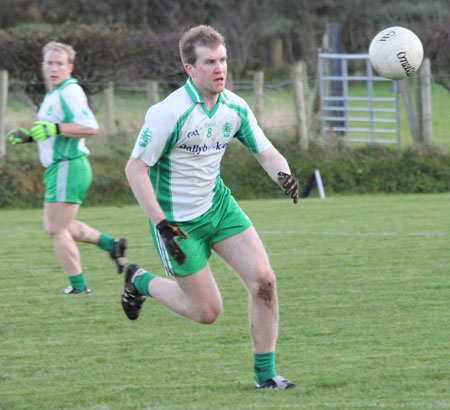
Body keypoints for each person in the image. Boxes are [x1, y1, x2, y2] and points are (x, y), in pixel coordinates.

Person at [122, 25, 300, 389]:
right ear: (190, 68)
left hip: (219, 208)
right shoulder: (168, 113)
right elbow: (135, 169)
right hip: (177, 223)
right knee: (207, 312)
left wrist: (284, 176)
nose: (219, 69)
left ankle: (266, 376)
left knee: (265, 281)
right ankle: (140, 280)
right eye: (209, 62)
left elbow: (265, 151)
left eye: (222, 60)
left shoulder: (234, 107)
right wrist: (161, 224)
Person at [8, 41, 127, 294]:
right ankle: (111, 244)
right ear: (43, 65)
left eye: (59, 63)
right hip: (60, 168)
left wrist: (55, 128)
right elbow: (53, 131)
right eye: (49, 63)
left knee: (55, 228)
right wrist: (31, 136)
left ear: (69, 67)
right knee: (60, 225)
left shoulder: (69, 91)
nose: (54, 68)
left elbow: (90, 127)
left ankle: (79, 287)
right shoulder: (54, 94)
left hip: (69, 167)